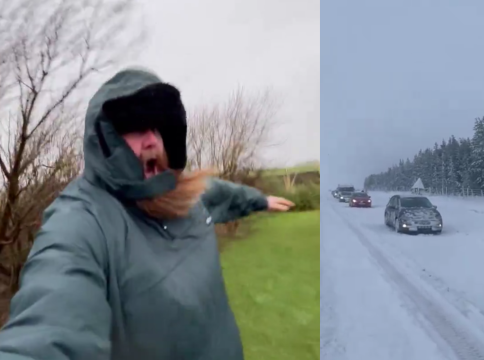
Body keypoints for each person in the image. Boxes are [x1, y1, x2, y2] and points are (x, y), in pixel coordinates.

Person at [0, 68, 295, 360]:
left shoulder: (186, 194)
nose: (152, 140)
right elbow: (50, 331)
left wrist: (261, 200)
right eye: (135, 127)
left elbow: (222, 192)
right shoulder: (82, 220)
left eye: (157, 128)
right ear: (105, 138)